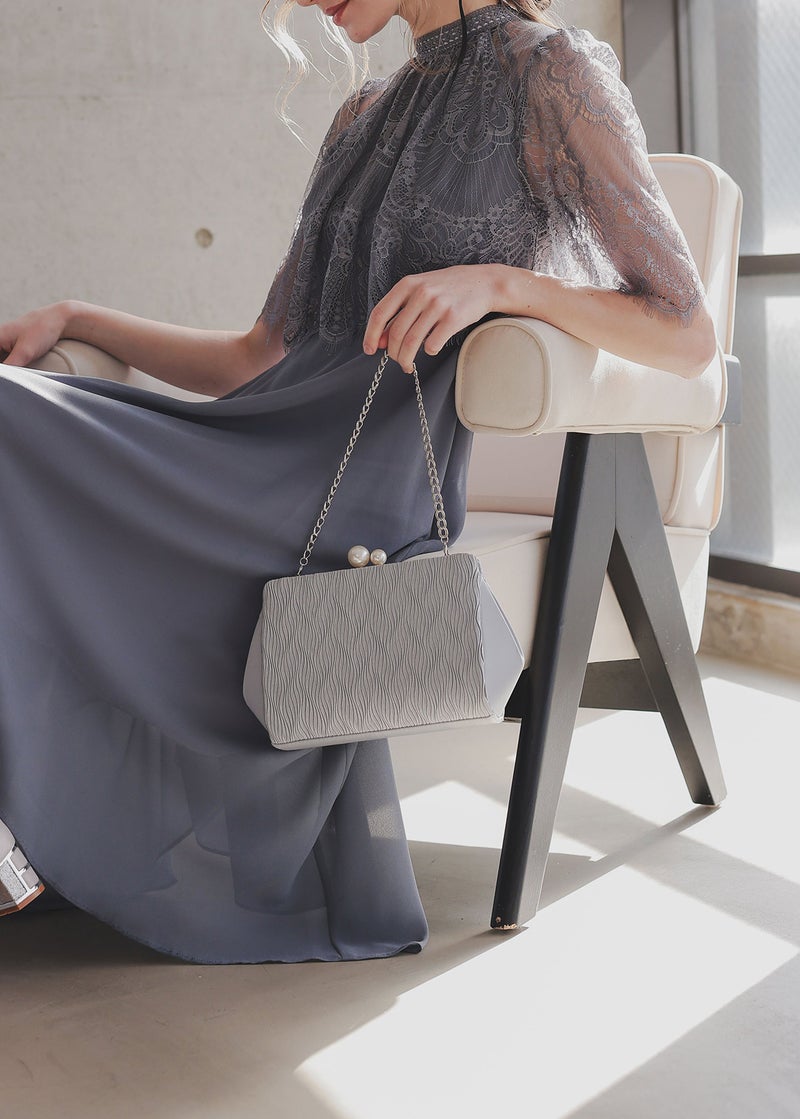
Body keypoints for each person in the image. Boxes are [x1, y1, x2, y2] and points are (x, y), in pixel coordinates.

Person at [0, 0, 716, 962]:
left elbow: (686, 330)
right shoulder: (362, 113)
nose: (300, 3)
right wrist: (79, 315)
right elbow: (258, 357)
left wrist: (502, 285)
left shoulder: (554, 76)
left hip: (359, 491)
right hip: (255, 448)